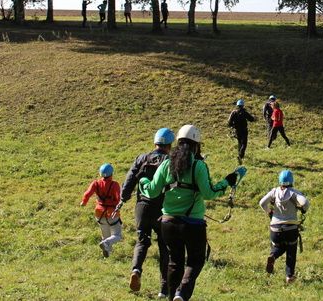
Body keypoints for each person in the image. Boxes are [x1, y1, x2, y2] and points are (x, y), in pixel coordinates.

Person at [138, 125, 247, 301]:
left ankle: (173, 296)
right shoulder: (198, 165)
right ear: (196, 145)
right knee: (196, 261)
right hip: (193, 224)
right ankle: (182, 293)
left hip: (168, 223)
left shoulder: (166, 164)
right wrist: (228, 181)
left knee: (175, 262)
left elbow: (151, 191)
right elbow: (209, 193)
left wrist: (143, 180)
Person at [118, 128, 175, 295]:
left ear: (155, 142)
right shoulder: (170, 161)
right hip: (163, 208)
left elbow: (130, 178)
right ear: (170, 145)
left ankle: (136, 270)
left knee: (142, 241)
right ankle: (164, 290)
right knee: (165, 247)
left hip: (142, 207)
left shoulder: (142, 158)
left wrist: (124, 197)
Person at [259, 170, 309, 284]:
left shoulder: (274, 192)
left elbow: (262, 203)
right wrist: (302, 209)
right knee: (291, 250)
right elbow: (305, 203)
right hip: (291, 228)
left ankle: (273, 255)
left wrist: (270, 212)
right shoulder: (294, 193)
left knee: (279, 246)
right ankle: (289, 276)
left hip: (275, 228)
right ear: (292, 181)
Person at [80, 163, 122, 258]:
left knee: (105, 235)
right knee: (117, 235)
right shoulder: (114, 185)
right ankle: (106, 243)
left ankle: (108, 254)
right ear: (112, 173)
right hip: (112, 214)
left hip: (99, 213)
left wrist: (84, 202)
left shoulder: (96, 183)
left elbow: (87, 193)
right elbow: (118, 198)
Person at [228, 99, 256, 164]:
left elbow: (229, 122)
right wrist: (254, 118)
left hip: (237, 130)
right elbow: (251, 119)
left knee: (239, 142)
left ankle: (240, 155)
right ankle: (240, 156)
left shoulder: (234, 112)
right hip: (244, 130)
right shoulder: (244, 112)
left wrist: (233, 126)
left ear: (237, 105)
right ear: (243, 105)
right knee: (244, 143)